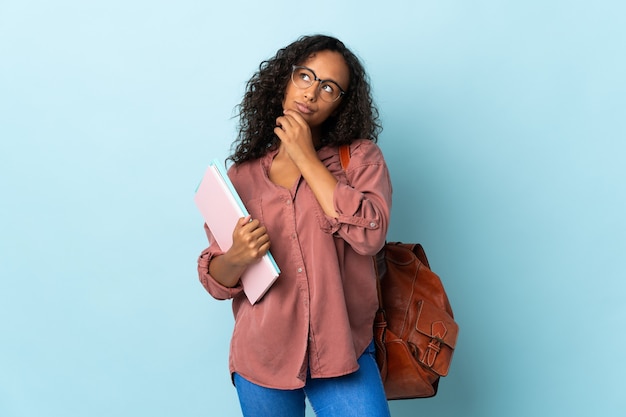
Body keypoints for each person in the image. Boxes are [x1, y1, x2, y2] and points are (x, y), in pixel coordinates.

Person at [197, 34, 392, 417]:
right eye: (305, 76)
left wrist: (307, 158)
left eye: (329, 87)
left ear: (341, 104)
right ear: (285, 80)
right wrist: (237, 255)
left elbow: (371, 235)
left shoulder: (359, 160)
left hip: (341, 349)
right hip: (262, 354)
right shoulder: (243, 176)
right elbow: (216, 281)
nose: (312, 93)